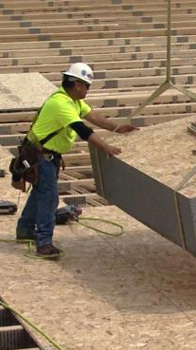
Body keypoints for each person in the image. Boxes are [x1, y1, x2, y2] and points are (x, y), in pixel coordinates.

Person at [15, 63, 136, 259]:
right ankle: (44, 244)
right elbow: (83, 130)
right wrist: (106, 147)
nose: (88, 90)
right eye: (87, 86)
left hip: (47, 155)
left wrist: (117, 128)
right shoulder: (61, 103)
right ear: (78, 85)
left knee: (40, 193)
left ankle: (25, 230)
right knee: (49, 198)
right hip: (41, 156)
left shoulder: (74, 101)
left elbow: (93, 116)